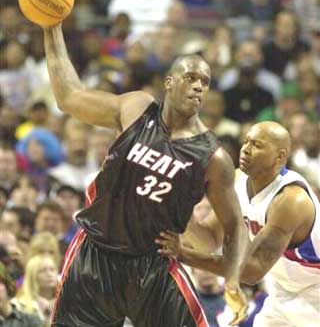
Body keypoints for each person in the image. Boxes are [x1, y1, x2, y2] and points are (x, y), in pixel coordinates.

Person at [42, 23, 248, 327]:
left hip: (152, 265)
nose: (198, 86)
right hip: (95, 254)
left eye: (205, 81)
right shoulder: (136, 108)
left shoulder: (213, 157)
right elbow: (69, 97)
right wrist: (52, 29)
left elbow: (234, 228)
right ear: (169, 81)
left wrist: (231, 279)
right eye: (190, 77)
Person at [156, 121, 320, 327]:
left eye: (257, 145)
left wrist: (183, 254)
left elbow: (252, 271)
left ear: (280, 157)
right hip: (282, 291)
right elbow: (209, 239)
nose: (246, 149)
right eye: (246, 142)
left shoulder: (291, 200)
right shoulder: (236, 180)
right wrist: (179, 210)